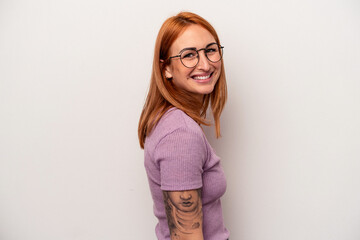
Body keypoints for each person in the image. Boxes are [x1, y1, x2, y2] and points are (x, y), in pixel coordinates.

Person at [138, 11, 229, 240]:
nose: (205, 64)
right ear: (166, 68)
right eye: (189, 55)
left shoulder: (171, 121)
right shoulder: (180, 134)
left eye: (210, 50)